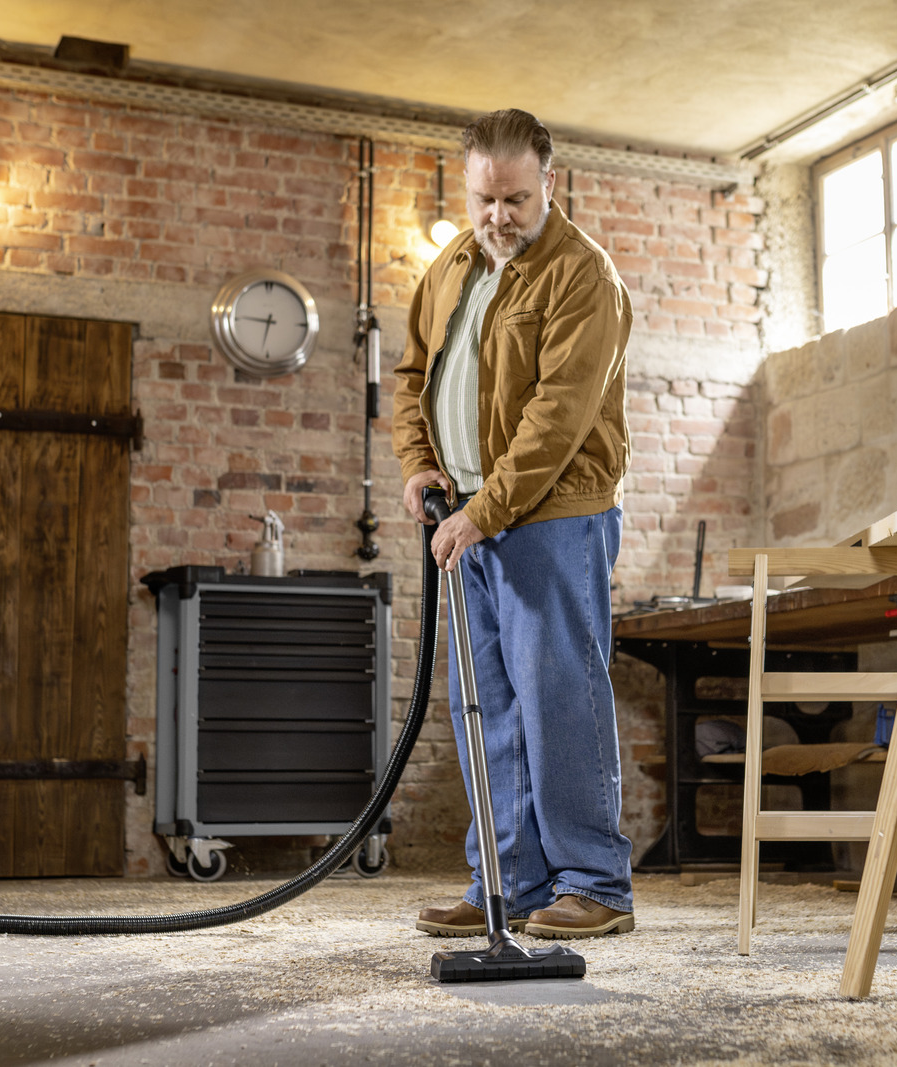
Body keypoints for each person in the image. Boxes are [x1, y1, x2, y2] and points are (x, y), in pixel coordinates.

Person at [392, 108, 635, 939]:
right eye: (486, 199)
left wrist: (481, 511)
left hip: (552, 517)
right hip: (468, 515)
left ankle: (596, 882)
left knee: (558, 697)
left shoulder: (582, 276)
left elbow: (556, 422)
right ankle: (505, 879)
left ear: (549, 185)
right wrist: (418, 465)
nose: (498, 216)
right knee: (486, 704)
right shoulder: (454, 265)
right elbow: (410, 375)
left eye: (516, 200)